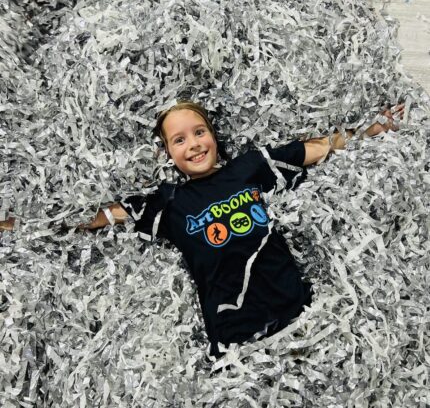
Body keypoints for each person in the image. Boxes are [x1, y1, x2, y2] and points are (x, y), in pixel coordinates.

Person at [0, 101, 405, 358]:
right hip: (238, 340)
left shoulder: (250, 168)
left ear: (213, 136)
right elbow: (94, 218)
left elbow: (314, 149)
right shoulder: (167, 202)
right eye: (179, 140)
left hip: (302, 315)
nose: (193, 144)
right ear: (167, 153)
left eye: (199, 132)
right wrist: (18, 224)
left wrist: (372, 130)